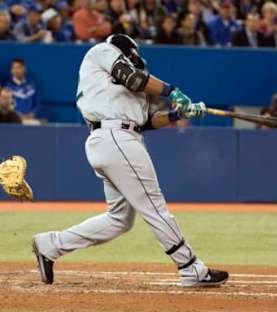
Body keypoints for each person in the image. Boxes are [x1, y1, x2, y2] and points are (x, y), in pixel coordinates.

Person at [32, 34, 229, 287]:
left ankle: (50, 245)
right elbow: (135, 79)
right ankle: (190, 268)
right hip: (114, 137)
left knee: (119, 219)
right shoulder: (103, 51)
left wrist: (177, 114)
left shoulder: (116, 88)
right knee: (154, 205)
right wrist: (173, 91)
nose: (138, 60)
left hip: (119, 139)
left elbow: (145, 121)